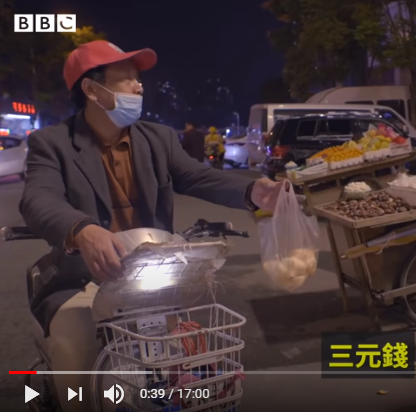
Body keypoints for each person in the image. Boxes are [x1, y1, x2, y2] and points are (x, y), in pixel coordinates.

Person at [19, 40, 285, 412]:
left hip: (149, 280)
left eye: (138, 78)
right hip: (83, 281)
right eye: (126, 78)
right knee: (78, 367)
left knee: (186, 367)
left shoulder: (158, 139)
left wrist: (253, 191)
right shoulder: (51, 144)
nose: (139, 86)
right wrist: (82, 229)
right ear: (92, 89)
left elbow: (199, 176)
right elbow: (38, 198)